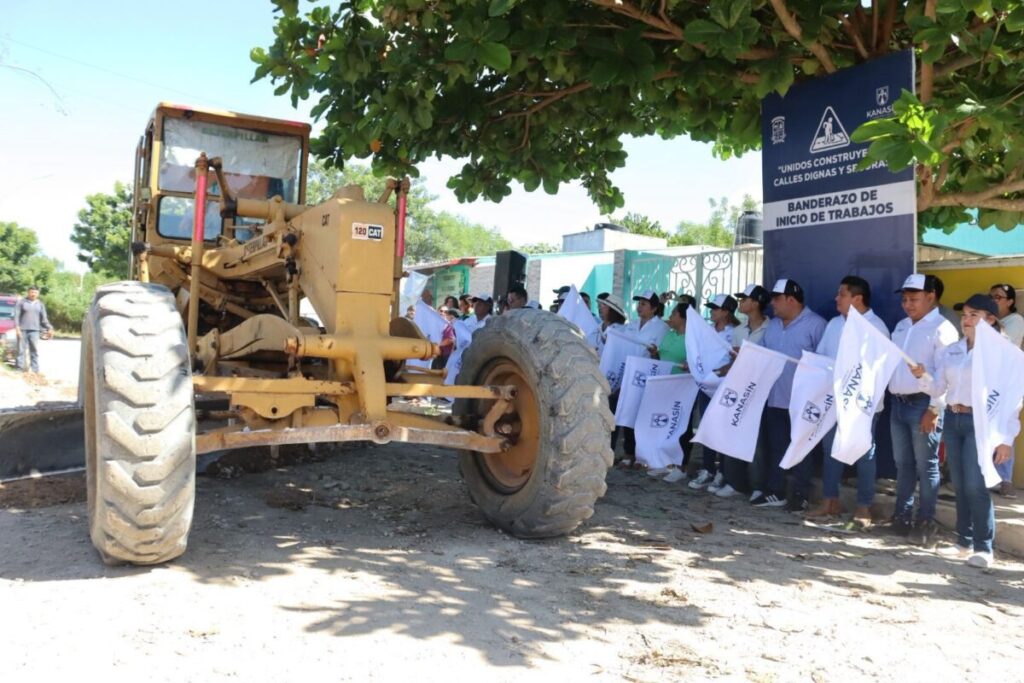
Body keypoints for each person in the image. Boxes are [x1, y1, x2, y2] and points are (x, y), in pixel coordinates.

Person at [917, 294, 1019, 568]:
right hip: (954, 419)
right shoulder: (953, 350)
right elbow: (940, 388)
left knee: (976, 485)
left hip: (981, 424)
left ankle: (984, 548)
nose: (966, 320)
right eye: (964, 315)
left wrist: (1006, 439)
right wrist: (923, 377)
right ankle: (963, 542)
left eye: (974, 315)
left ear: (990, 319)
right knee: (960, 484)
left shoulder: (1004, 354)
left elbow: (1012, 400)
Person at [805, 276, 890, 526]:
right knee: (830, 450)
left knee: (864, 454)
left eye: (842, 294)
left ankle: (864, 506)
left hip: (862, 405)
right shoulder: (833, 324)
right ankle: (830, 501)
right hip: (833, 402)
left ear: (858, 299)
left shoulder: (876, 327)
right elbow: (821, 357)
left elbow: (879, 370)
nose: (836, 299)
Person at [888, 273, 959, 547]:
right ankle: (902, 517)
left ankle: (926, 521)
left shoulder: (943, 329)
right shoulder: (902, 326)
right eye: (905, 299)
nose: (908, 304)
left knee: (927, 465)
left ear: (931, 297)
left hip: (923, 404)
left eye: (914, 299)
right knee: (903, 465)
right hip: (898, 402)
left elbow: (946, 373)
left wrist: (934, 408)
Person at [753, 279, 826, 510]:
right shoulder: (773, 325)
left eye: (776, 298)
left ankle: (800, 495)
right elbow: (762, 354)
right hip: (775, 398)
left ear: (791, 300)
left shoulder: (816, 325)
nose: (771, 303)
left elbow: (825, 363)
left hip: (803, 403)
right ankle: (775, 492)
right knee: (777, 446)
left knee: (801, 449)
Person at [690, 294, 740, 493]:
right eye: (711, 308)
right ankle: (708, 468)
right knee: (706, 428)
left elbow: (738, 358)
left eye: (715, 308)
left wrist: (723, 370)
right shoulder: (707, 332)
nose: (711, 311)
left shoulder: (735, 332)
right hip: (705, 387)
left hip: (724, 388)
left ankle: (723, 472)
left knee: (723, 429)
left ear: (726, 311)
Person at [616, 291, 669, 468]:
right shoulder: (631, 325)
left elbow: (661, 352)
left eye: (644, 304)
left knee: (644, 417)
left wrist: (656, 352)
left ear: (654, 308)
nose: (640, 307)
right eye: (639, 303)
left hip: (648, 376)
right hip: (630, 376)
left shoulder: (661, 327)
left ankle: (643, 455)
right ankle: (629, 452)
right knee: (628, 413)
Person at [646, 301, 691, 483]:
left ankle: (682, 466)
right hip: (664, 386)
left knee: (682, 428)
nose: (670, 317)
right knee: (664, 425)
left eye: (673, 314)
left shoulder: (691, 338)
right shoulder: (669, 334)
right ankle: (665, 463)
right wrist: (654, 353)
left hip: (683, 388)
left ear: (683, 317)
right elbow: (662, 357)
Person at [988, 283, 1022, 497]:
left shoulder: (1014, 321)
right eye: (990, 297)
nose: (993, 300)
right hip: (991, 380)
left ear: (1010, 302)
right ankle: (992, 477)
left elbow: (1000, 346)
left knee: (1006, 427)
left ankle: (1005, 479)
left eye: (998, 297)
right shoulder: (989, 320)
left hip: (1007, 381)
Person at [14, 285, 52, 374]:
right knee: (21, 350)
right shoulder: (21, 302)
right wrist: (17, 328)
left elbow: (44, 319)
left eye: (35, 292)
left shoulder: (40, 304)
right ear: (28, 292)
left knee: (34, 350)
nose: (33, 294)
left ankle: (35, 370)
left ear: (38, 294)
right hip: (22, 330)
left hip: (35, 331)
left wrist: (49, 328)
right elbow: (16, 316)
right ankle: (19, 369)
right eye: (31, 292)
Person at [732, 284, 770, 348]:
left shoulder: (772, 329)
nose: (740, 301)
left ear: (755, 304)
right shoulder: (737, 330)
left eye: (744, 299)